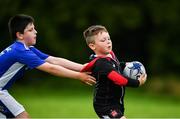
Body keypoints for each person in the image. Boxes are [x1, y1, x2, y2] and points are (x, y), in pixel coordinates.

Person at [0, 14, 96, 118]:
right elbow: (51, 68)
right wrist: (78, 75)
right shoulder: (21, 51)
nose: (35, 32)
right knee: (23, 117)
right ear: (20, 35)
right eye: (31, 30)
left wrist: (82, 67)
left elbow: (54, 60)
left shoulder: (26, 49)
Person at [81, 25, 147, 119]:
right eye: (103, 40)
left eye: (109, 38)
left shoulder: (110, 55)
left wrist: (126, 65)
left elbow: (117, 66)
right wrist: (138, 83)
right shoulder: (101, 64)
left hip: (116, 104)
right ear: (92, 46)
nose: (108, 41)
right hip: (105, 106)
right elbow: (119, 79)